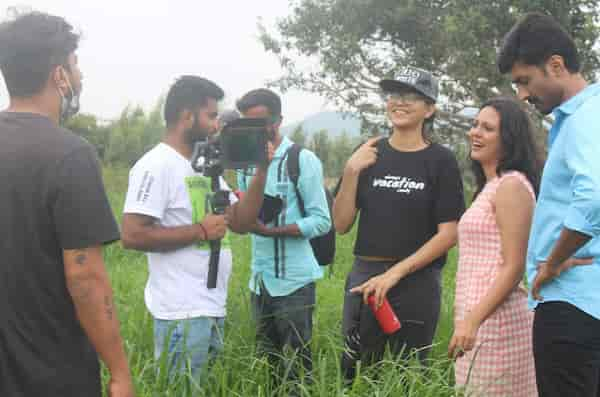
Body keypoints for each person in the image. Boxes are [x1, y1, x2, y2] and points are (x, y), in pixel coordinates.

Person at [0, 11, 134, 397]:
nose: (79, 77)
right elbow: (85, 278)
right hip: (51, 371)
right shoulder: (69, 155)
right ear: (59, 76)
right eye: (75, 66)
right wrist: (120, 372)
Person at [121, 76, 270, 380]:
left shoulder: (204, 165)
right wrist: (200, 231)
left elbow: (241, 222)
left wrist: (261, 170)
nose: (217, 124)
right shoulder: (155, 165)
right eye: (212, 116)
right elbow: (132, 234)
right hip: (182, 313)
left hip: (211, 307)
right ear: (187, 117)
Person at [334, 67, 465, 380]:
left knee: (409, 374)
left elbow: (449, 233)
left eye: (412, 97)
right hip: (365, 276)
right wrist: (351, 172)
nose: (400, 102)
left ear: (430, 109)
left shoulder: (441, 160)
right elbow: (341, 224)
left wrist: (395, 274)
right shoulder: (367, 153)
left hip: (417, 281)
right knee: (358, 373)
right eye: (394, 95)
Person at [498, 12, 600, 397]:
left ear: (555, 65)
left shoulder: (585, 119)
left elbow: (594, 198)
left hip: (571, 301)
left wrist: (553, 261)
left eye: (525, 81)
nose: (522, 95)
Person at [235, 88, 331, 386]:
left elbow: (322, 221)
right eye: (245, 124)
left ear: (277, 121)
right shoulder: (245, 163)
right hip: (259, 280)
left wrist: (272, 230)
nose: (252, 131)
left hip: (295, 283)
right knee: (268, 365)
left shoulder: (302, 160)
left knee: (297, 369)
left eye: (259, 123)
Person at [448, 98, 540, 396]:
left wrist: (472, 321)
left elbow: (514, 267)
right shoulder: (491, 185)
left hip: (496, 326)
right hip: (477, 323)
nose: (475, 132)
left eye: (487, 128)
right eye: (475, 124)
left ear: (508, 139)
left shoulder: (511, 186)